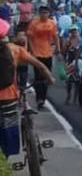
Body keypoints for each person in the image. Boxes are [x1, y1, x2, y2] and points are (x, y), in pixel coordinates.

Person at [0, 19, 54, 158]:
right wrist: (49, 79)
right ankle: (7, 155)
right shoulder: (15, 50)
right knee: (9, 125)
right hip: (9, 96)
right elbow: (40, 65)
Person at [27, 5, 60, 107]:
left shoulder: (52, 23)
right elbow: (29, 38)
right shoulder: (34, 23)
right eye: (42, 13)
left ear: (49, 13)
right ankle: (39, 98)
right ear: (39, 13)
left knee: (46, 77)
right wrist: (32, 51)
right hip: (37, 53)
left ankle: (43, 98)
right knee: (38, 78)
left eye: (46, 13)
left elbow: (56, 37)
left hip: (48, 53)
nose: (44, 15)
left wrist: (58, 48)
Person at [63, 26, 81, 105]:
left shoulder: (80, 40)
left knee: (77, 81)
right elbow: (64, 51)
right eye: (72, 31)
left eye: (75, 31)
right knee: (68, 81)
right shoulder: (68, 40)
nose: (74, 32)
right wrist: (67, 46)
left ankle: (75, 98)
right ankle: (68, 95)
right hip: (69, 62)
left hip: (78, 62)